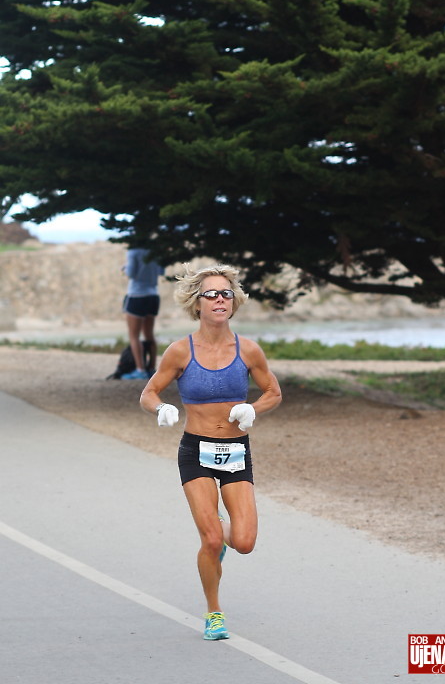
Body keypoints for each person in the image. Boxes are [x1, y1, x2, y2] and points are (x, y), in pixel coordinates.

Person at [139, 263, 282, 640]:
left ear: (234, 302)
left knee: (245, 543)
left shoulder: (248, 350)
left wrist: (253, 409)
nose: (220, 299)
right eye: (212, 294)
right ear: (197, 303)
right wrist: (161, 408)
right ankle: (214, 613)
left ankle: (216, 527)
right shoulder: (179, 351)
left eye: (226, 293)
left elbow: (274, 392)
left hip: (236, 450)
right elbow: (148, 393)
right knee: (212, 540)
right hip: (196, 451)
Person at [121, 247, 165, 380]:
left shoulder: (133, 251)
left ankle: (140, 370)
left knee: (134, 335)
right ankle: (151, 368)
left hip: (137, 295)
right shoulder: (156, 251)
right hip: (153, 295)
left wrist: (124, 269)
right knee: (149, 334)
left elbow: (131, 273)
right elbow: (161, 271)